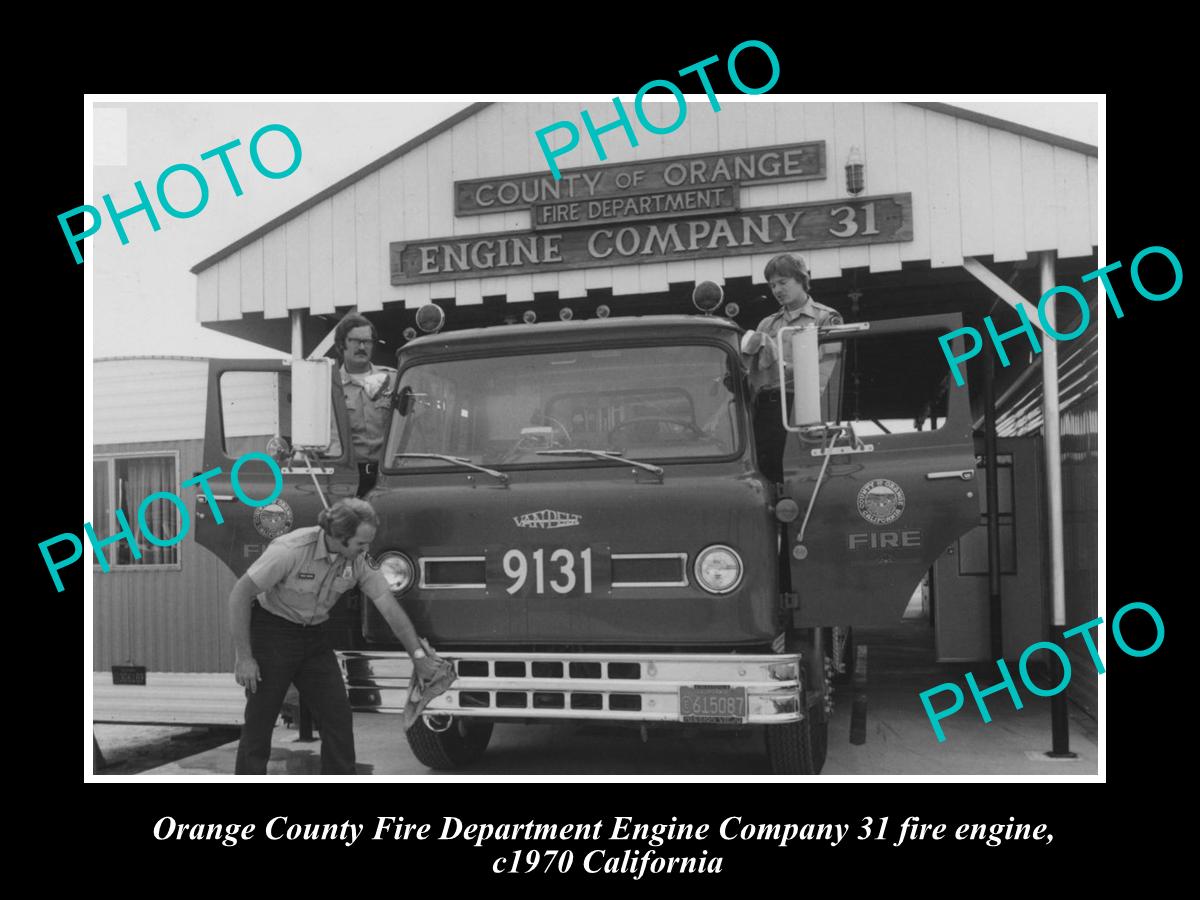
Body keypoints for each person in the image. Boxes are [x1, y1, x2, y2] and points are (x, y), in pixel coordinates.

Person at [230, 498, 442, 775]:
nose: (367, 550)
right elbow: (239, 595)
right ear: (339, 538)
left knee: (338, 717)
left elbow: (389, 608)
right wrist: (244, 657)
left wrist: (418, 657)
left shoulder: (358, 561)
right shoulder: (290, 550)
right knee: (260, 721)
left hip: (315, 637)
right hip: (273, 633)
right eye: (361, 544)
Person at [742, 254, 844, 483]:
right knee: (767, 472)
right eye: (772, 285)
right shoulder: (766, 325)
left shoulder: (826, 318)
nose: (777, 289)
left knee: (802, 476)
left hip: (805, 409)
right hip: (768, 410)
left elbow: (827, 373)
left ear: (801, 279)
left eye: (783, 282)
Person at [335, 313, 397, 496]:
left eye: (367, 341)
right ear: (341, 344)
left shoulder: (393, 380)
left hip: (388, 476)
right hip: (349, 480)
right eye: (355, 341)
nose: (362, 347)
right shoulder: (331, 386)